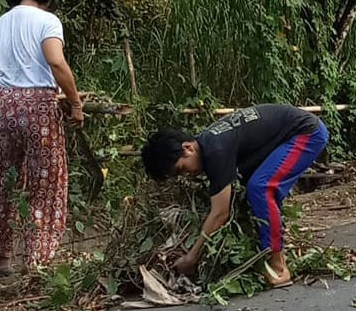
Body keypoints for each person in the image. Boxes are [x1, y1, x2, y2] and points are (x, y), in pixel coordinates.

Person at [141, 104, 329, 287]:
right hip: (290, 134)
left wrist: (192, 257)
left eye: (181, 168)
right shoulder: (209, 144)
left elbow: (220, 213)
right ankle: (272, 250)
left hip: (307, 133)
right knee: (255, 187)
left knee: (261, 188)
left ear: (188, 148)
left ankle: (279, 266)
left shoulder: (216, 150)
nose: (186, 174)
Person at [0, 0, 84, 276]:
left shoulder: (1, 22)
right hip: (36, 105)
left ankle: (3, 256)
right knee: (46, 179)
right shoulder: (47, 20)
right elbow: (55, 61)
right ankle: (37, 260)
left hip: (0, 101)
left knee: (6, 176)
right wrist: (75, 102)